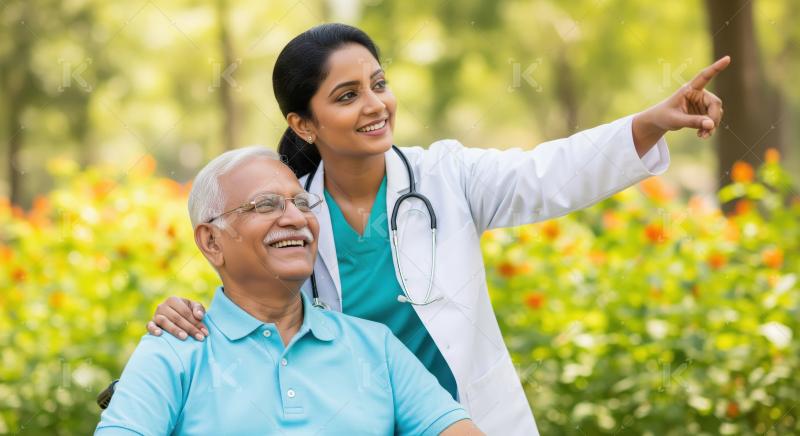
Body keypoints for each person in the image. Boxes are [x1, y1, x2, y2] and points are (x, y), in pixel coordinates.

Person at [146, 23, 728, 435]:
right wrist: (184, 311)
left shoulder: (446, 176)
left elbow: (549, 173)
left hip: (464, 419)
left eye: (379, 84)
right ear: (303, 123)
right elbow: (252, 293)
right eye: (347, 96)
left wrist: (649, 123)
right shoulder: (293, 214)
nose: (375, 105)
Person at [96, 147, 483, 435]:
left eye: (302, 202)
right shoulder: (175, 351)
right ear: (212, 241)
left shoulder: (375, 347)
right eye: (266, 205)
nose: (297, 218)